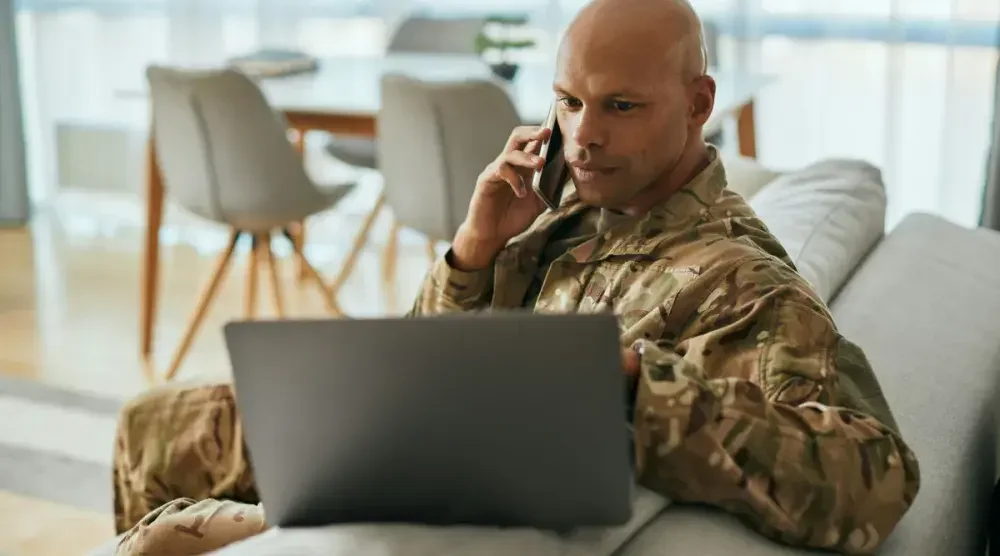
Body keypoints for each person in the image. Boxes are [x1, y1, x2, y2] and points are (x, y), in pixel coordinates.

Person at [112, 0, 921, 553]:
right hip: (415, 430)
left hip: (438, 486)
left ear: (697, 102)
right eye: (568, 102)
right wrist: (473, 254)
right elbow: (424, 356)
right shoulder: (564, 213)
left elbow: (873, 481)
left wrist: (635, 388)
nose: (584, 136)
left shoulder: (743, 283)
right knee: (150, 424)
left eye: (621, 106)